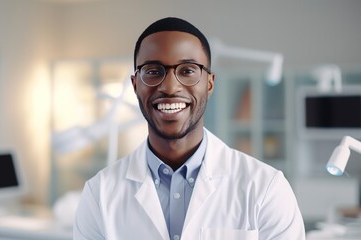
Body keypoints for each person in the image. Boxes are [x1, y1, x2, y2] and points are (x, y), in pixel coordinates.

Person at [73, 17, 305, 240]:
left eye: (187, 70)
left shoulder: (266, 189)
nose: (170, 87)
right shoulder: (99, 195)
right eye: (153, 71)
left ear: (210, 83)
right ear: (135, 85)